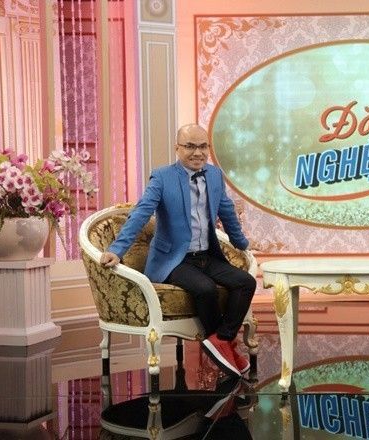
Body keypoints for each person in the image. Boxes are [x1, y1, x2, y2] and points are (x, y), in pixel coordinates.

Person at [100, 123, 256, 377]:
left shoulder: (215, 175)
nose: (198, 152)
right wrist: (117, 250)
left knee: (246, 282)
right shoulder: (162, 177)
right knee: (205, 289)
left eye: (203, 146)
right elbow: (141, 214)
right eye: (190, 146)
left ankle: (222, 340)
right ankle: (225, 347)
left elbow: (226, 211)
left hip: (206, 255)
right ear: (177, 148)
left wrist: (242, 243)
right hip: (174, 260)